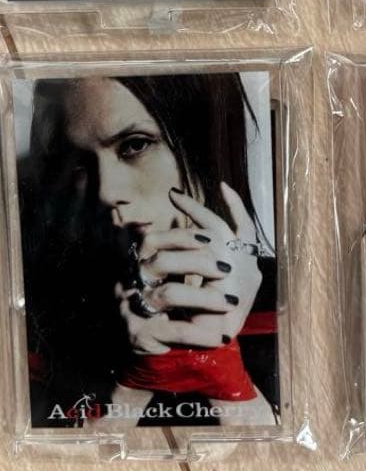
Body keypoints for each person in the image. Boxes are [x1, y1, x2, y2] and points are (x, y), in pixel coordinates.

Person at [20, 72, 278, 429]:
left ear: (208, 144)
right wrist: (139, 377)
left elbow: (296, 457)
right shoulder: (38, 312)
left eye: (135, 145)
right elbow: (43, 458)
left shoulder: (294, 301)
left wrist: (218, 364)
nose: (106, 191)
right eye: (77, 162)